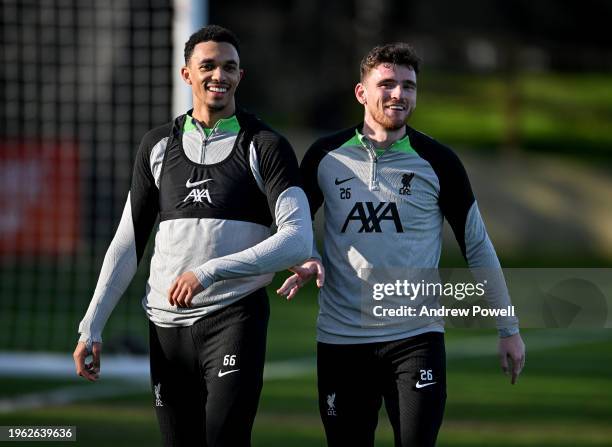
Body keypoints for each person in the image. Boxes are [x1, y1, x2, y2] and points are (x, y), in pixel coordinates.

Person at [73, 25, 312, 447]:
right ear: (187, 74)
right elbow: (127, 243)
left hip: (234, 316)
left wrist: (210, 272)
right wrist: (91, 326)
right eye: (208, 66)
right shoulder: (156, 146)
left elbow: (296, 240)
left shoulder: (265, 145)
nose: (219, 75)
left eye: (229, 67)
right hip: (166, 326)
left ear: (240, 76)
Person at [278, 43, 526, 447]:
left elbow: (477, 246)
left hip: (416, 339)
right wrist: (305, 256)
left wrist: (508, 328)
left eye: (408, 86)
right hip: (342, 339)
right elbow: (294, 227)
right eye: (387, 83)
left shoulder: (439, 161)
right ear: (362, 93)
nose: (399, 94)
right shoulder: (325, 156)